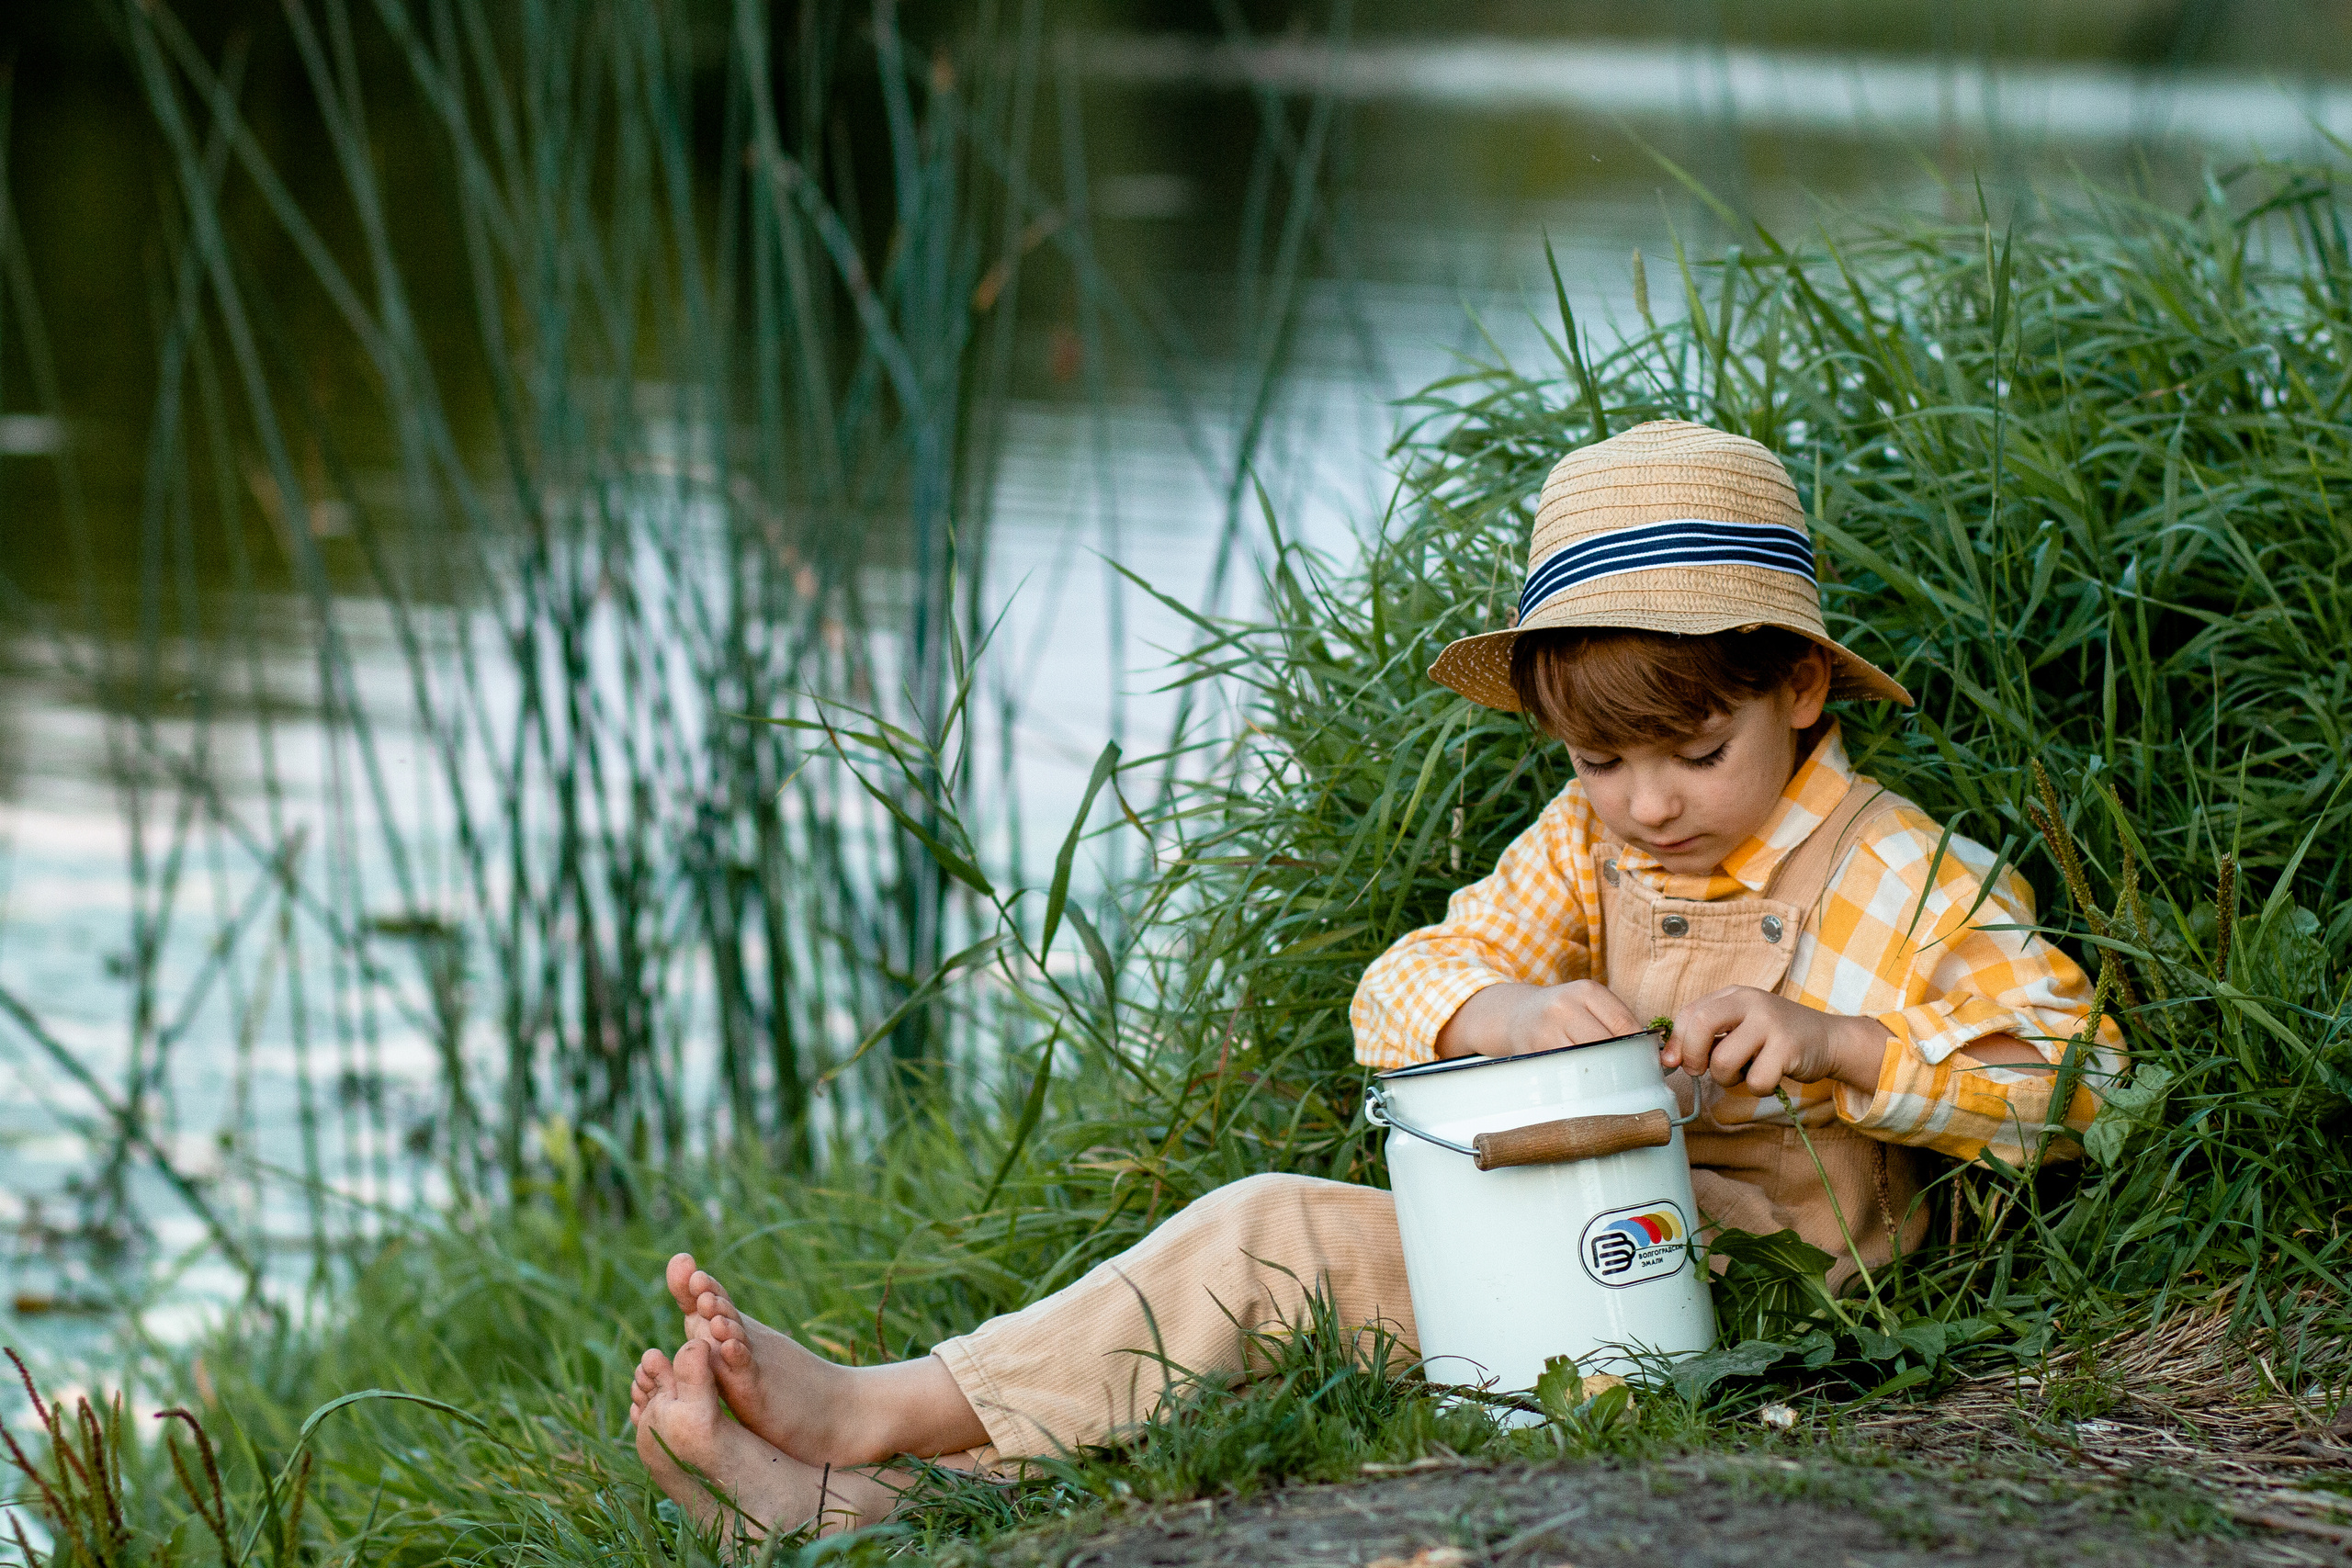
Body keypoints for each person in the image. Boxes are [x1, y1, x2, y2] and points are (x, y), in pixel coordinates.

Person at [626, 419, 2122, 1541]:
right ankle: (853, 1501)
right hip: (1574, 1236)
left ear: (1797, 690)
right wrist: (1511, 1013)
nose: (1648, 803)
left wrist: (1839, 1044)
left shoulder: (1909, 872)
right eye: (1602, 760)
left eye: (1694, 753)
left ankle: (877, 1408)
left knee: (1275, 1238)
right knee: (1267, 1320)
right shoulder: (1582, 847)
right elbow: (1403, 986)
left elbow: (2080, 1084)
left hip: (1755, 1291)